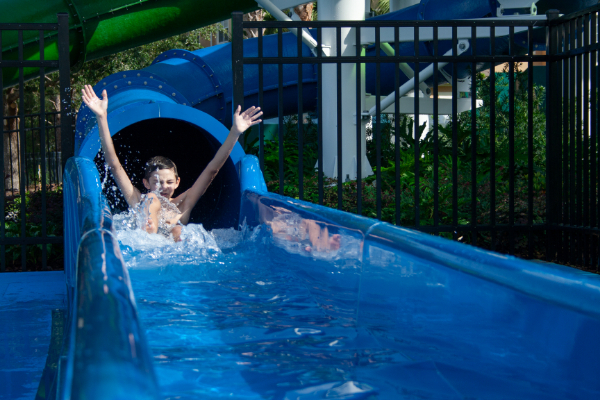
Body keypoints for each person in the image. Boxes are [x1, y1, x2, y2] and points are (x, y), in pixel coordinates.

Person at [81, 84, 262, 240]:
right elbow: (114, 165)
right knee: (152, 200)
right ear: (145, 183)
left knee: (177, 230)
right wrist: (102, 117)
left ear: (177, 182)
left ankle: (160, 233)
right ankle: (148, 229)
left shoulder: (184, 204)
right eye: (157, 182)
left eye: (169, 182)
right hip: (144, 247)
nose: (163, 187)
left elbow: (212, 170)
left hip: (174, 254)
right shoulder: (138, 201)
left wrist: (235, 133)